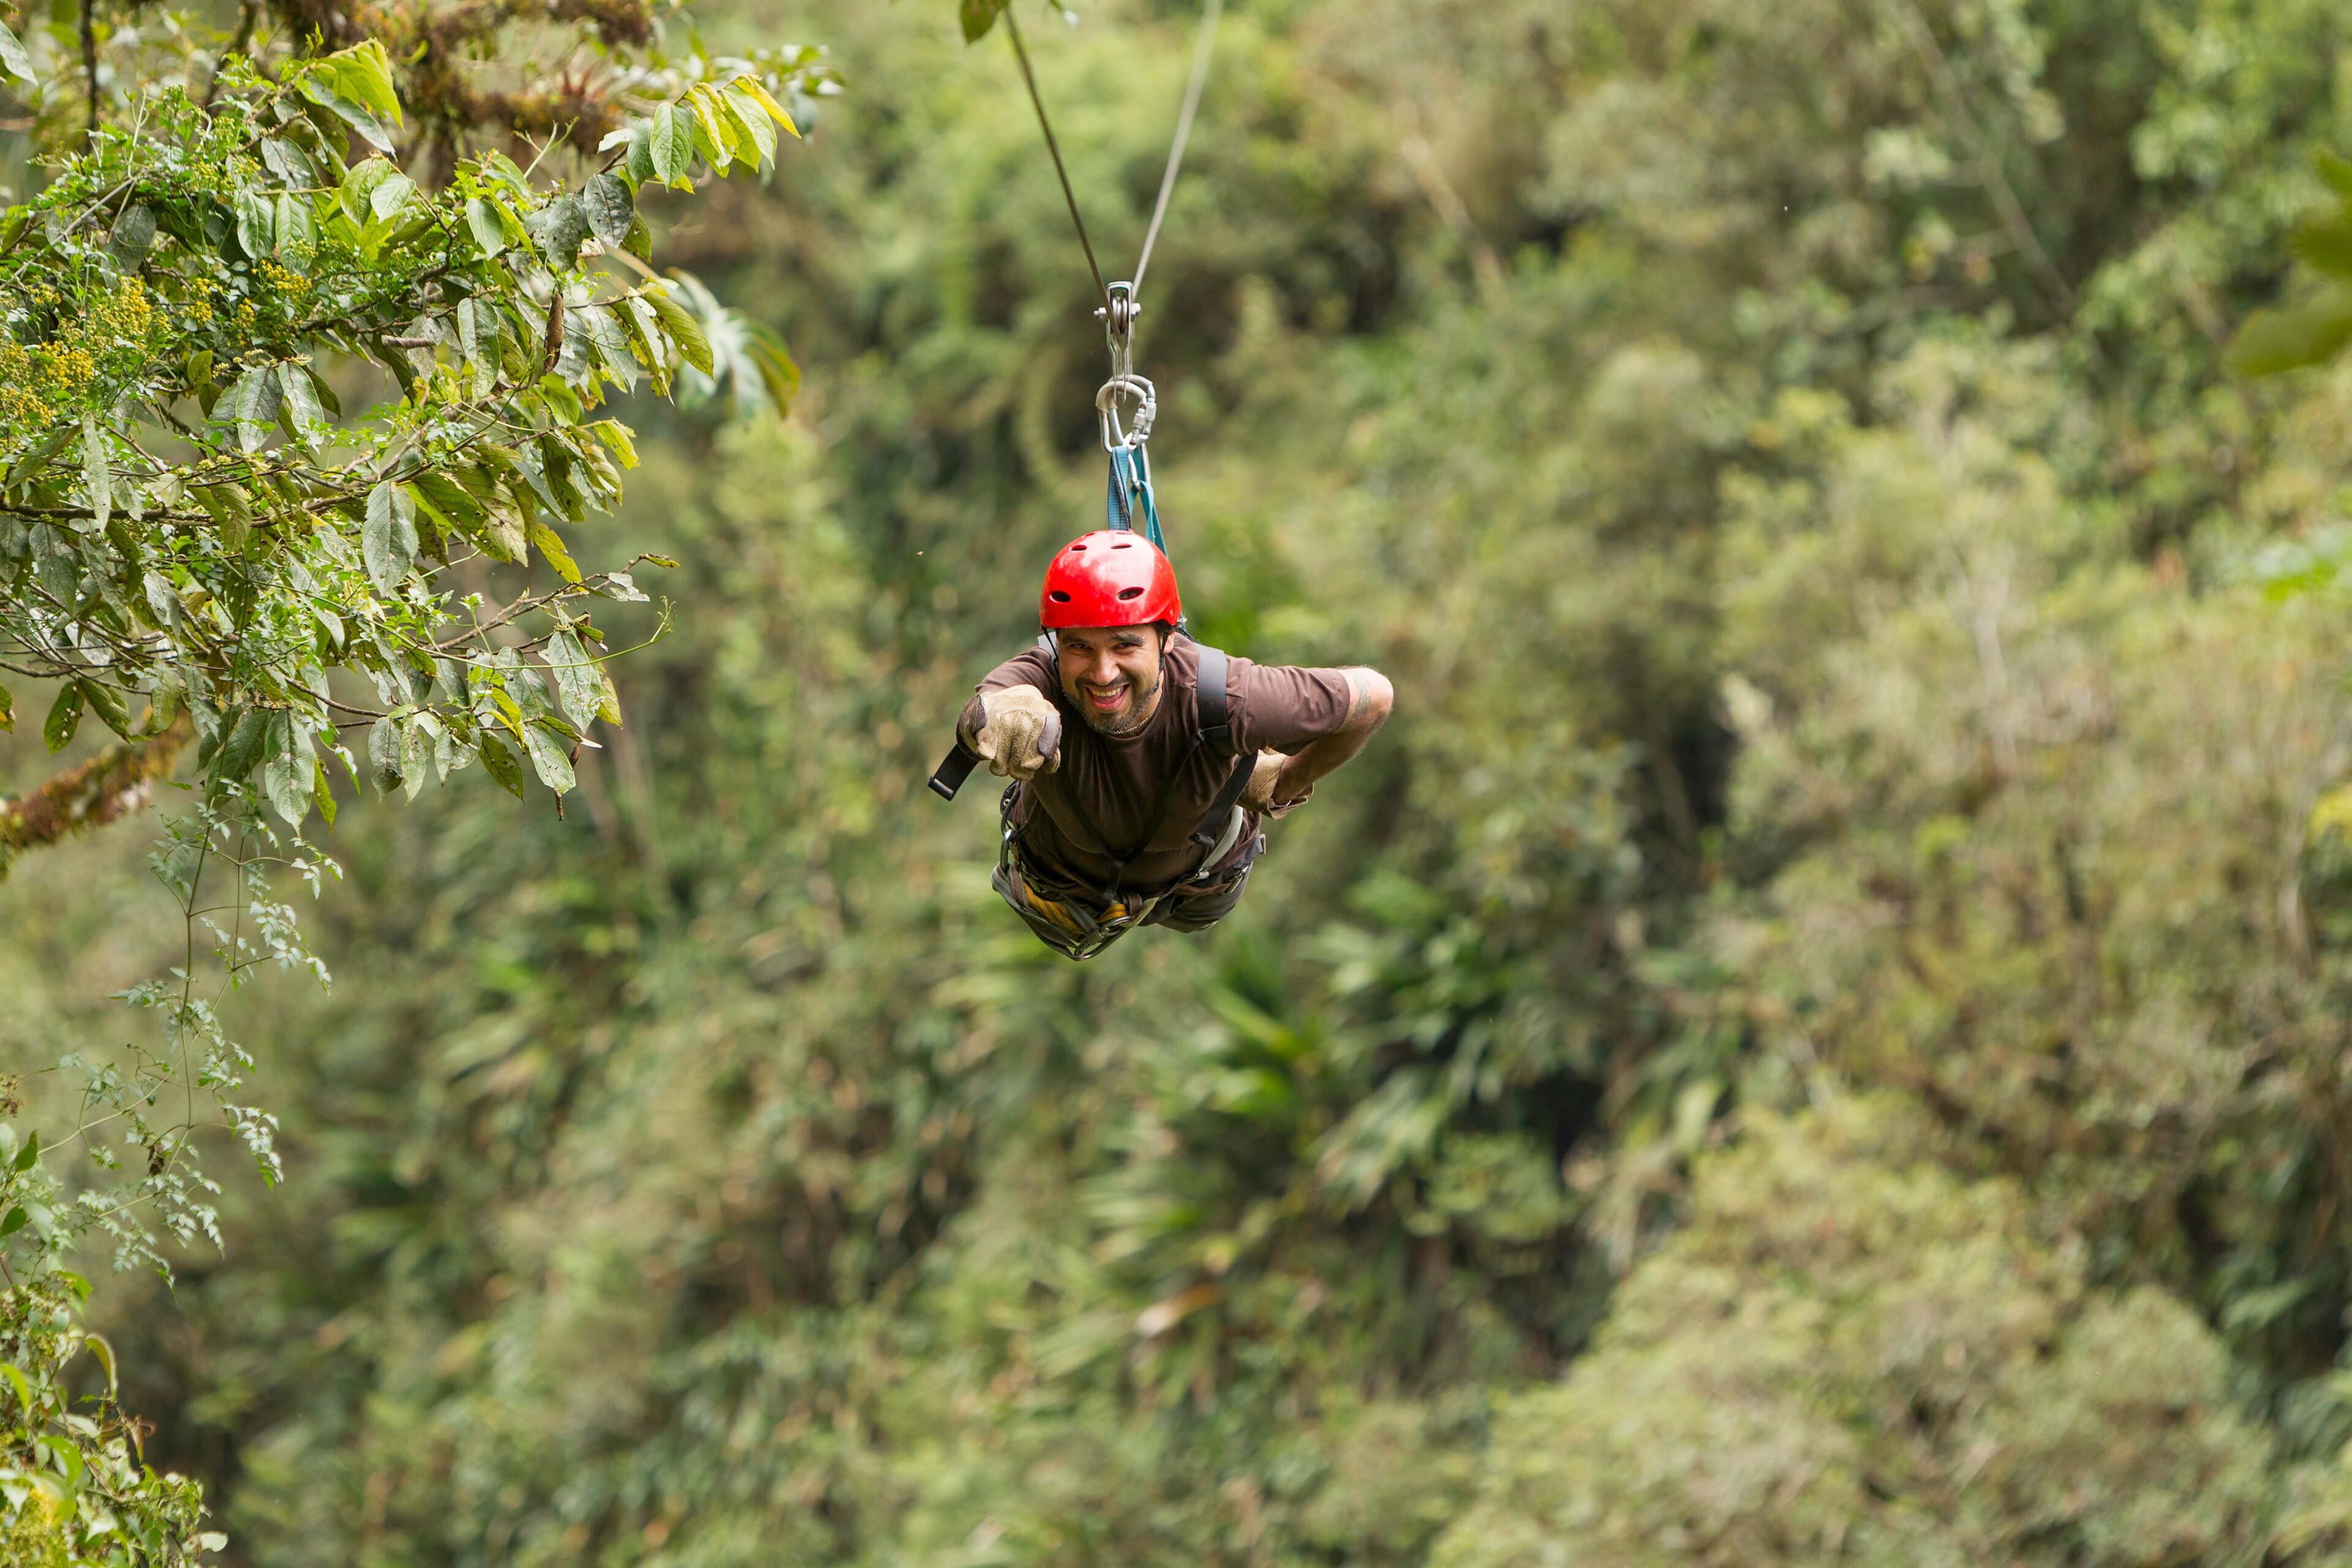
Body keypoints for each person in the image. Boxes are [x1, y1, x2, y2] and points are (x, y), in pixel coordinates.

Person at [957, 529, 1393, 960]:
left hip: (1199, 883)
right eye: (1080, 647)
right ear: (1056, 644)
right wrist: (1000, 717)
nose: (1103, 672)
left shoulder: (1230, 698)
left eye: (1126, 645)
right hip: (1064, 889)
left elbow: (1374, 697)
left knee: (1203, 900)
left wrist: (1287, 781)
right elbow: (986, 710)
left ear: (1166, 639)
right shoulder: (1040, 679)